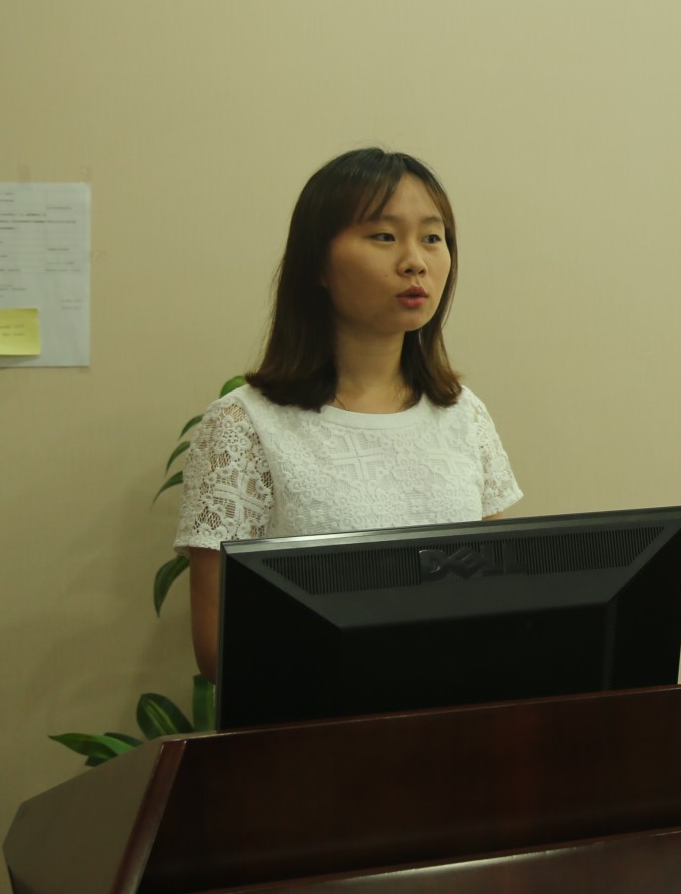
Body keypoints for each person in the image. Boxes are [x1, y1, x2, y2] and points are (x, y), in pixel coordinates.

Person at [174, 148, 521, 680]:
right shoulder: (243, 425)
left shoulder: (463, 414)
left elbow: (499, 595)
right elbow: (220, 648)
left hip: (452, 711)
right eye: (384, 236)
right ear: (316, 263)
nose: (415, 261)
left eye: (433, 238)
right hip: (318, 718)